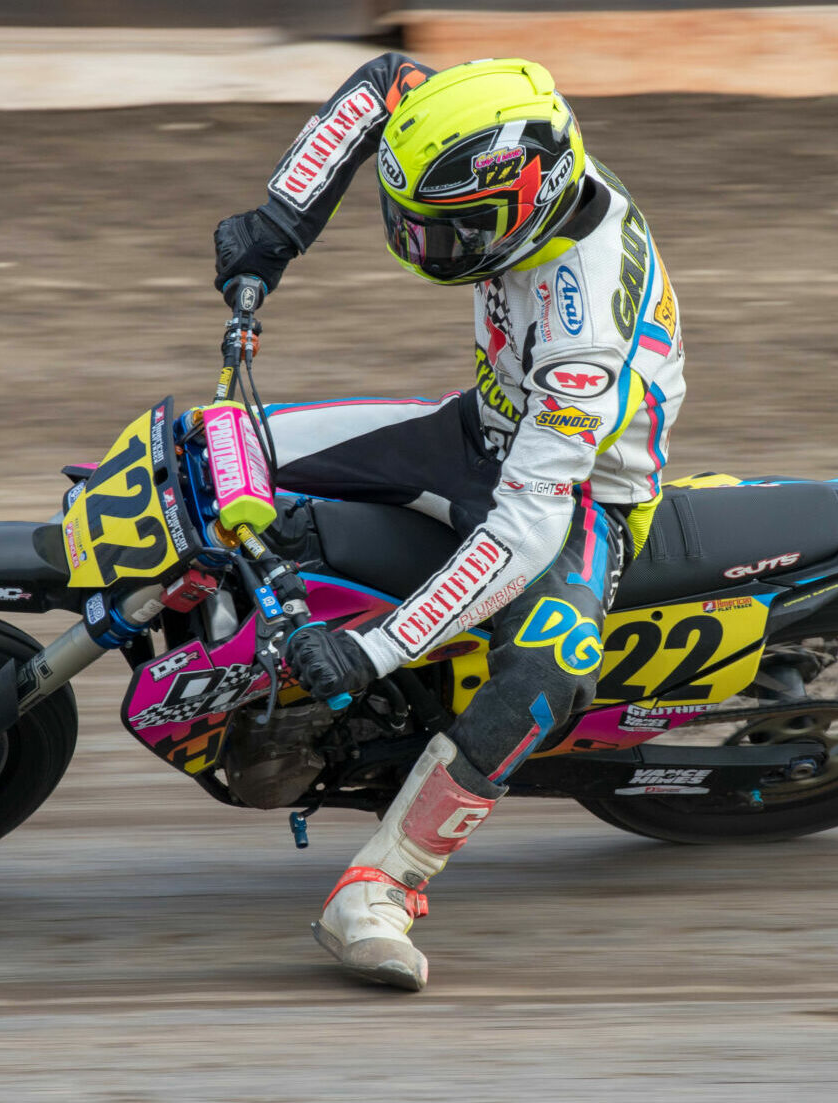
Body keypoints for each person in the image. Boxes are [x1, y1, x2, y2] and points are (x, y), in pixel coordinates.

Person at [213, 55, 686, 990]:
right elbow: (387, 80)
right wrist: (280, 222)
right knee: (215, 449)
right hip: (484, 425)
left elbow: (523, 533)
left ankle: (381, 885)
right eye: (411, 224)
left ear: (530, 201)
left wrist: (374, 651)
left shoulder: (584, 337)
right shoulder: (508, 151)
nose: (423, 250)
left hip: (580, 493)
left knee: (551, 671)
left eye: (451, 232)